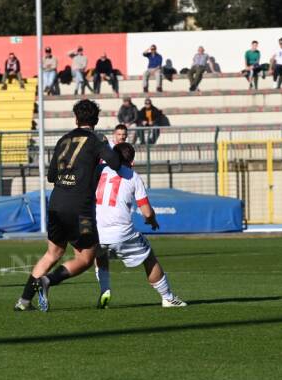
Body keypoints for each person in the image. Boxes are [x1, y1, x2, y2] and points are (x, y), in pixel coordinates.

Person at [14, 99, 122, 312]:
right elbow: (115, 163)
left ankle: (24, 301)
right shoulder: (97, 139)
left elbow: (52, 175)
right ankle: (48, 281)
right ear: (96, 120)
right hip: (79, 207)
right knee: (85, 258)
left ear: (76, 118)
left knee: (52, 253)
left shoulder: (63, 139)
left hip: (56, 202)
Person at [93, 142, 185, 308]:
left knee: (100, 255)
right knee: (149, 258)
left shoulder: (99, 171)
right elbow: (147, 212)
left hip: (96, 231)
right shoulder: (133, 176)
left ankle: (105, 289)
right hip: (121, 232)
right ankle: (168, 298)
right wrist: (152, 221)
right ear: (132, 162)